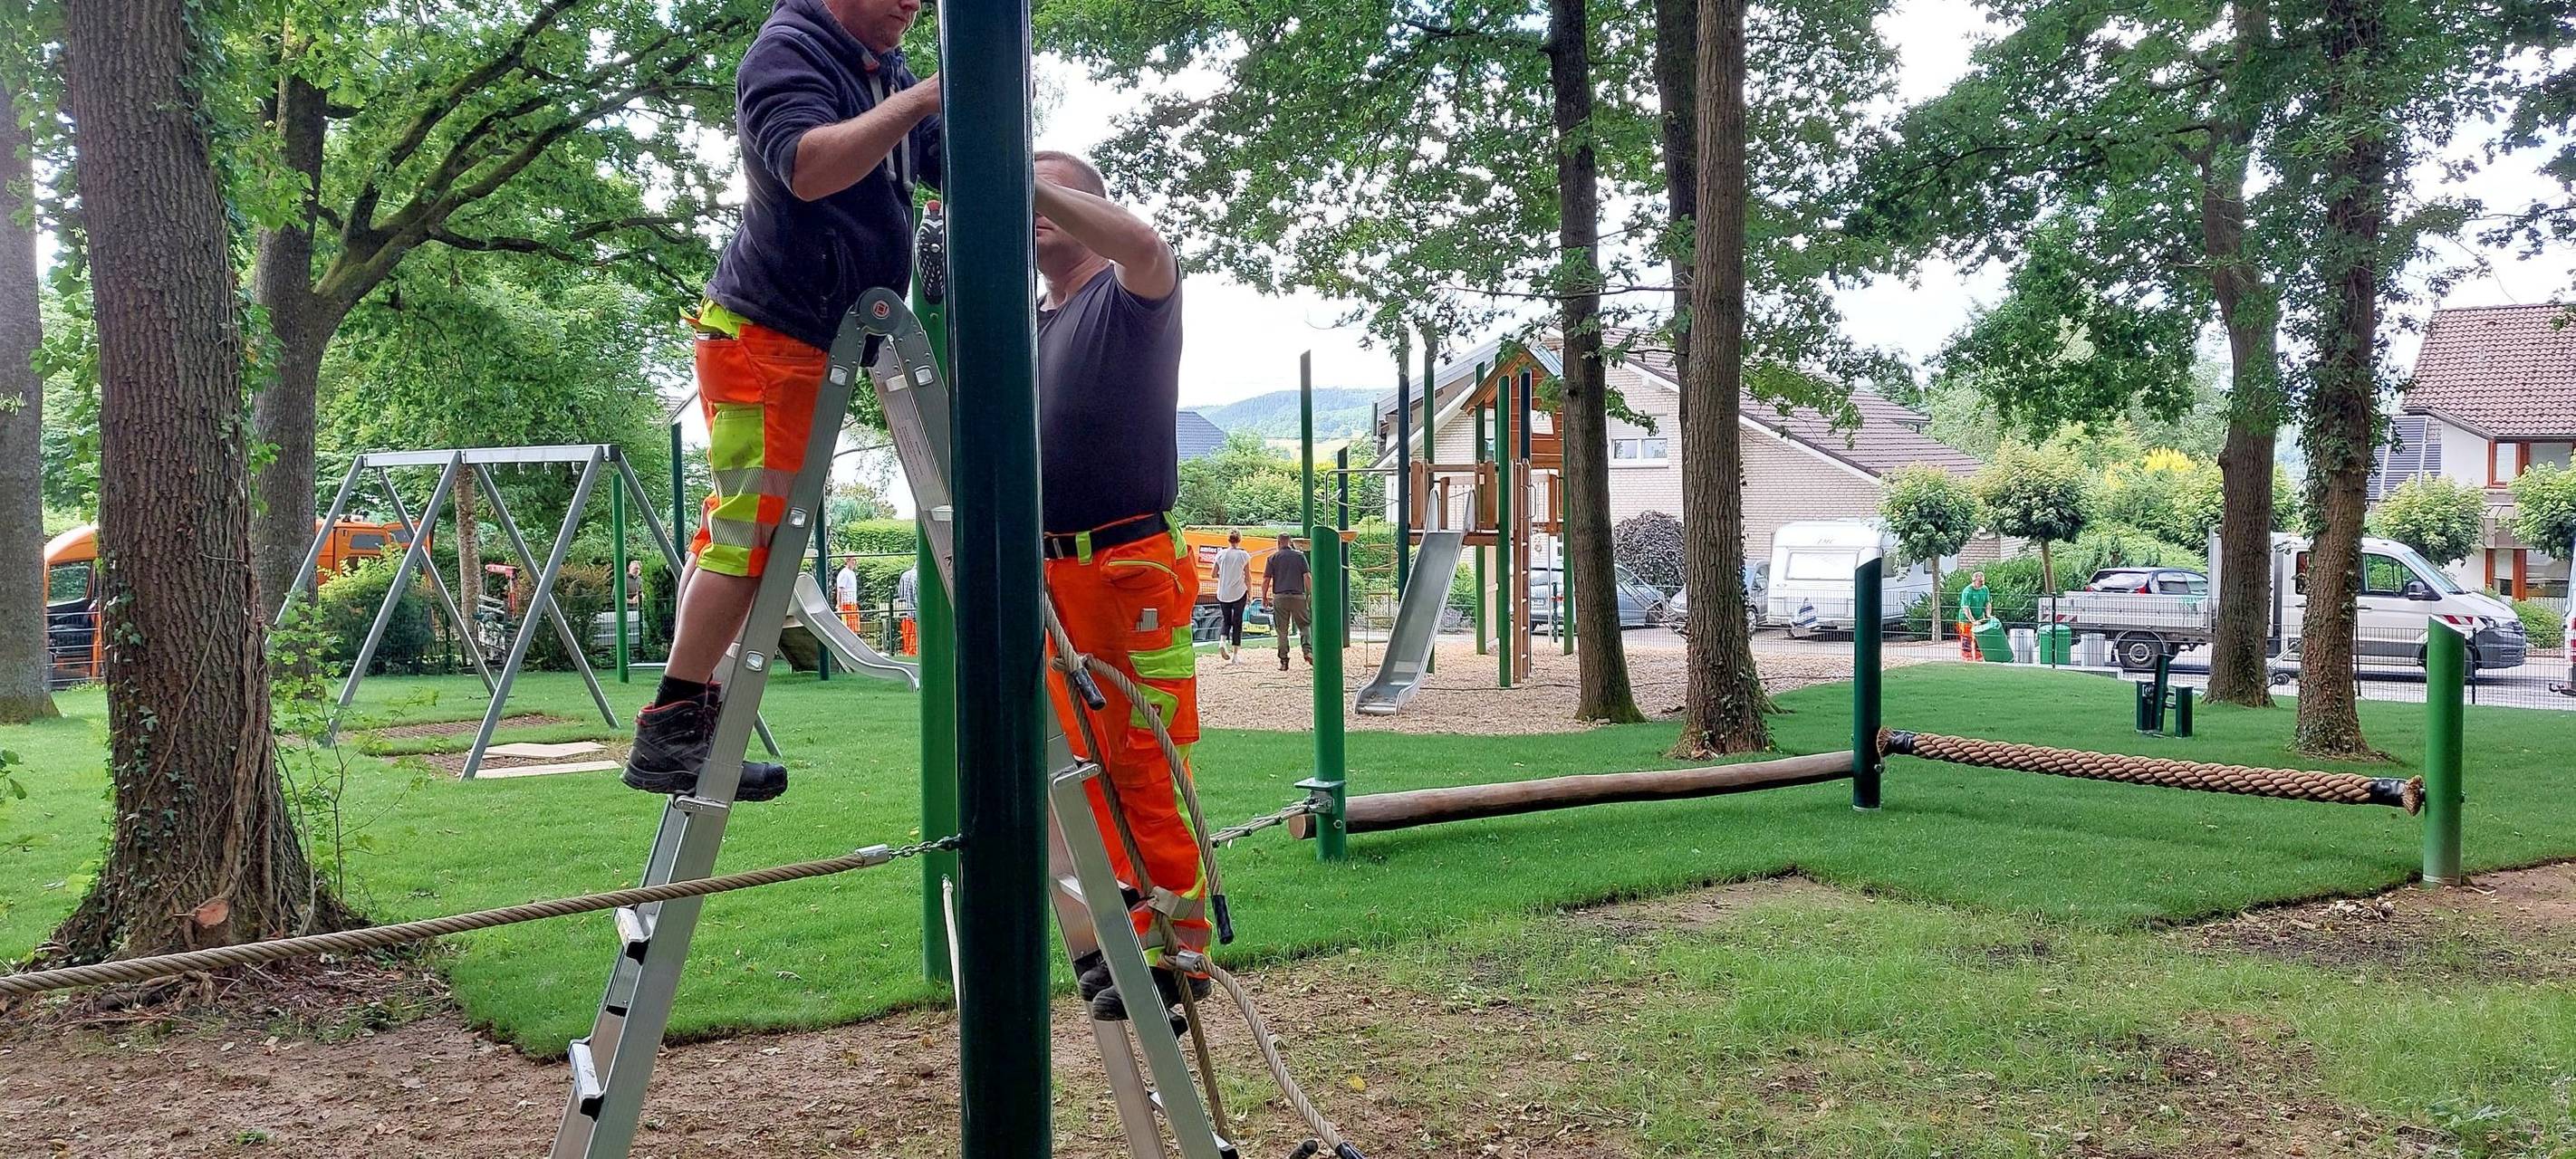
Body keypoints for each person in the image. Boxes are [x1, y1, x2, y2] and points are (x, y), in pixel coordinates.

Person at [622, 0, 943, 802]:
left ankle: (686, 718)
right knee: (753, 537)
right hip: (772, 336)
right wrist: (923, 99)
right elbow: (807, 166)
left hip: (802, 338)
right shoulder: (790, 49)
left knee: (743, 532)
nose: (913, 3)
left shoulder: (885, 69)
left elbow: (949, 160)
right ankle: (672, 730)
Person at [1027, 148, 1206, 1022]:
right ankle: (1121, 936)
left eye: (1055, 189)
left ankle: (1179, 952)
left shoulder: (1131, 295)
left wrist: (1014, 176)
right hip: (1049, 568)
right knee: (1076, 764)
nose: (1036, 204)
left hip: (1126, 562)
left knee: (1139, 758)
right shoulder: (1035, 322)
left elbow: (1146, 244)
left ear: (1093, 208)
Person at [1264, 532, 1312, 671]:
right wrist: (1310, 594)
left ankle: (1284, 660)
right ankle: (1307, 651)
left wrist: (1264, 596)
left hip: (1280, 597)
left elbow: (1266, 580)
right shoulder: (1299, 556)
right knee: (1305, 625)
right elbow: (1307, 577)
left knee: (1282, 631)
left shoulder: (1272, 558)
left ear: (1278, 543)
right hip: (1298, 596)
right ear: (1290, 542)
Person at [1212, 530, 1252, 661]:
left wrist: (1223, 577)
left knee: (1226, 619)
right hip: (1239, 592)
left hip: (1223, 592)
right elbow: (1248, 577)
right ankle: (1235, 655)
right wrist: (1250, 594)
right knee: (1237, 622)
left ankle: (1222, 641)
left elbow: (1213, 574)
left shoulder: (1220, 554)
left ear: (1228, 540)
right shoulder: (1244, 555)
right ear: (1240, 540)